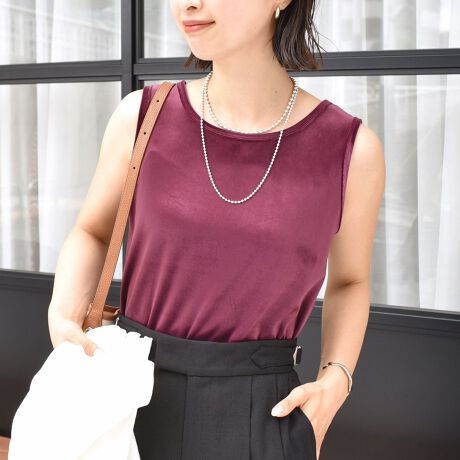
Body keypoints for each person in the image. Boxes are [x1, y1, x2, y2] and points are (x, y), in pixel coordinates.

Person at [48, 0, 385, 459]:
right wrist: (64, 313)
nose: (187, 4)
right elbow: (93, 230)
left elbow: (350, 280)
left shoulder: (350, 149)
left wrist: (336, 380)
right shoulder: (141, 116)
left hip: (263, 413)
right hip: (127, 394)